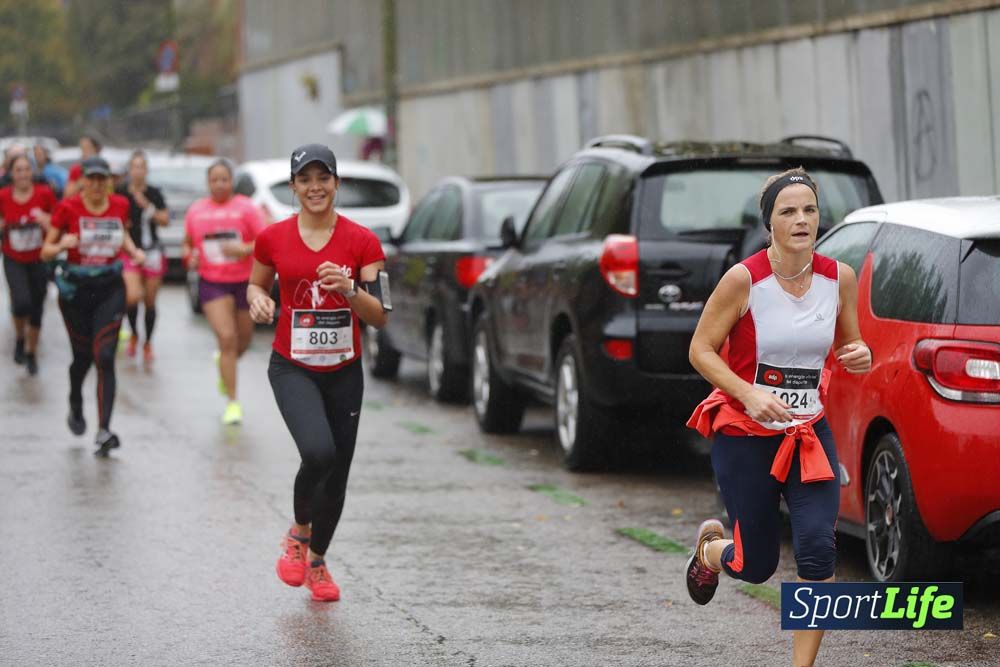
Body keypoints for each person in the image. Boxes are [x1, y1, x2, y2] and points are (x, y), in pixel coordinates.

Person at [685, 167, 871, 666]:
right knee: (756, 564)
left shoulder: (840, 279)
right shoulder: (743, 280)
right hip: (746, 437)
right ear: (770, 222)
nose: (801, 219)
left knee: (818, 552)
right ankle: (711, 551)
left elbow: (850, 344)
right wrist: (747, 393)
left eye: (809, 209)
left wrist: (860, 354)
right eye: (788, 211)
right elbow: (701, 350)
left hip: (809, 434)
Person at [248, 144, 389, 602]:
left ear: (336, 184)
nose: (315, 188)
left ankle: (318, 563)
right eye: (305, 180)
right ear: (293, 187)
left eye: (322, 178)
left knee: (339, 473)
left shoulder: (362, 241)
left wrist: (349, 288)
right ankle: (298, 535)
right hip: (292, 366)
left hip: (344, 370)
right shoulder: (272, 237)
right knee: (318, 451)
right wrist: (258, 299)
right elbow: (256, 281)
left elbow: (380, 315)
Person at [41, 156, 145, 456]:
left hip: (109, 288)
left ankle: (104, 429)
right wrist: (63, 244)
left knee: (106, 354)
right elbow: (46, 251)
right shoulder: (68, 208)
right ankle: (75, 399)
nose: (98, 185)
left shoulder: (120, 205)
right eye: (93, 179)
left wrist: (133, 251)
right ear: (84, 180)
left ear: (109, 181)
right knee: (83, 358)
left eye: (103, 179)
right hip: (76, 293)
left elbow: (121, 233)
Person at [183, 159, 265, 424]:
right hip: (212, 281)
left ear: (232, 181)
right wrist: (191, 258)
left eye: (224, 179)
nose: (219, 184)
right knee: (227, 337)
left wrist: (244, 249)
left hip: (245, 281)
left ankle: (223, 363)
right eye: (214, 180)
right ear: (207, 183)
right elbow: (187, 245)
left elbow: (265, 241)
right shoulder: (196, 211)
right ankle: (233, 403)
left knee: (243, 341)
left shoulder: (246, 208)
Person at [0, 154, 57, 375]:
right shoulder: (3, 196)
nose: (23, 174)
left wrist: (46, 219)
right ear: (11, 174)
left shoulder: (44, 194)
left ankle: (31, 352)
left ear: (32, 173)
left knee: (37, 307)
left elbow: (59, 221)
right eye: (18, 170)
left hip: (39, 257)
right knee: (21, 302)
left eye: (26, 169)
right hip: (14, 257)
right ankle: (20, 337)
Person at [117, 151, 169, 362]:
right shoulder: (121, 192)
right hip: (130, 251)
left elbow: (165, 220)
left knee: (149, 301)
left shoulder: (154, 193)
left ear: (146, 170)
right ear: (130, 169)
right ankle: (134, 334)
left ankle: (147, 342)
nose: (138, 170)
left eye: (142, 166)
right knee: (131, 297)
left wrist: (148, 207)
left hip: (152, 251)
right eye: (134, 166)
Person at [63, 134, 102, 199]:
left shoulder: (104, 168)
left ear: (96, 149)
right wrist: (79, 184)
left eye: (87, 148)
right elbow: (67, 195)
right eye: (82, 148)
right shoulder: (76, 169)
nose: (84, 152)